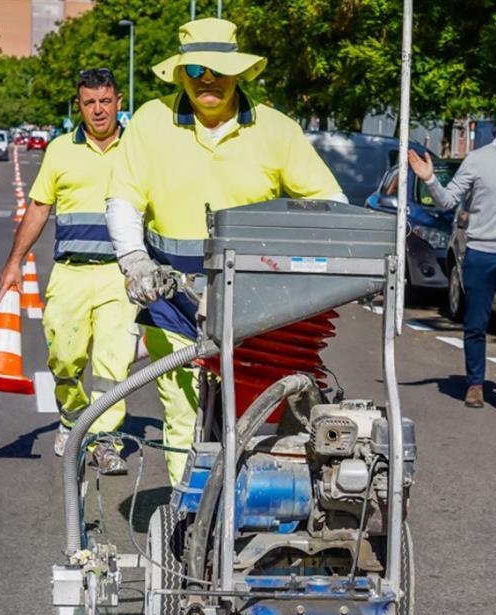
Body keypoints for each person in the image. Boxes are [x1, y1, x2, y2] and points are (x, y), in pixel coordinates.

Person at [105, 18, 346, 485]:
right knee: (183, 410)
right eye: (196, 69)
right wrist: (135, 261)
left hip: (258, 306)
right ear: (180, 73)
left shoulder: (278, 131)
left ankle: (254, 503)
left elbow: (329, 205)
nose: (208, 80)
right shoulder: (150, 123)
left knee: (258, 410)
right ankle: (192, 511)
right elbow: (124, 200)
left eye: (219, 69)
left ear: (239, 73)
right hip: (171, 296)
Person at [0, 68, 133, 473]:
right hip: (70, 273)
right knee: (64, 359)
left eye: (105, 101)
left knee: (113, 362)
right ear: (80, 105)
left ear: (118, 102)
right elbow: (39, 208)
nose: (98, 110)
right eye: (90, 102)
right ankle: (73, 421)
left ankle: (105, 440)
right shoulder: (59, 149)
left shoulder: (136, 150)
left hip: (118, 276)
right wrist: (14, 262)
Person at [408, 96, 496, 417]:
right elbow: (447, 201)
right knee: (476, 323)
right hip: (480, 254)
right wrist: (429, 179)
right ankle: (474, 384)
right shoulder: (477, 160)